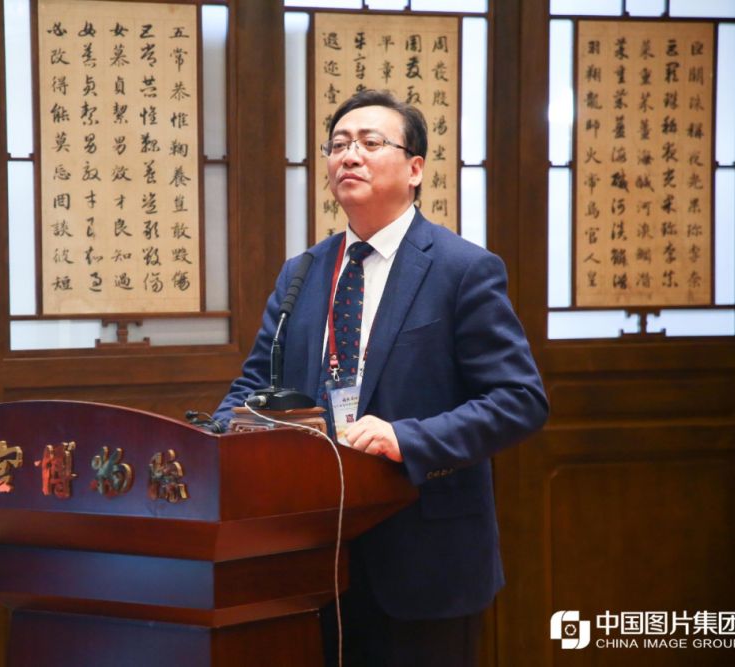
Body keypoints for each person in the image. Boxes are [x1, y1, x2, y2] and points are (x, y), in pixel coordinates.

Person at [213, 89, 548, 666]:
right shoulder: (303, 272)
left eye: (370, 143)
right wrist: (217, 437)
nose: (349, 156)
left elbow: (519, 400)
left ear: (414, 169)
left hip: (422, 555)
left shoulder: (462, 269)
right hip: (310, 554)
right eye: (338, 145)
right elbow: (254, 385)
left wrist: (407, 437)